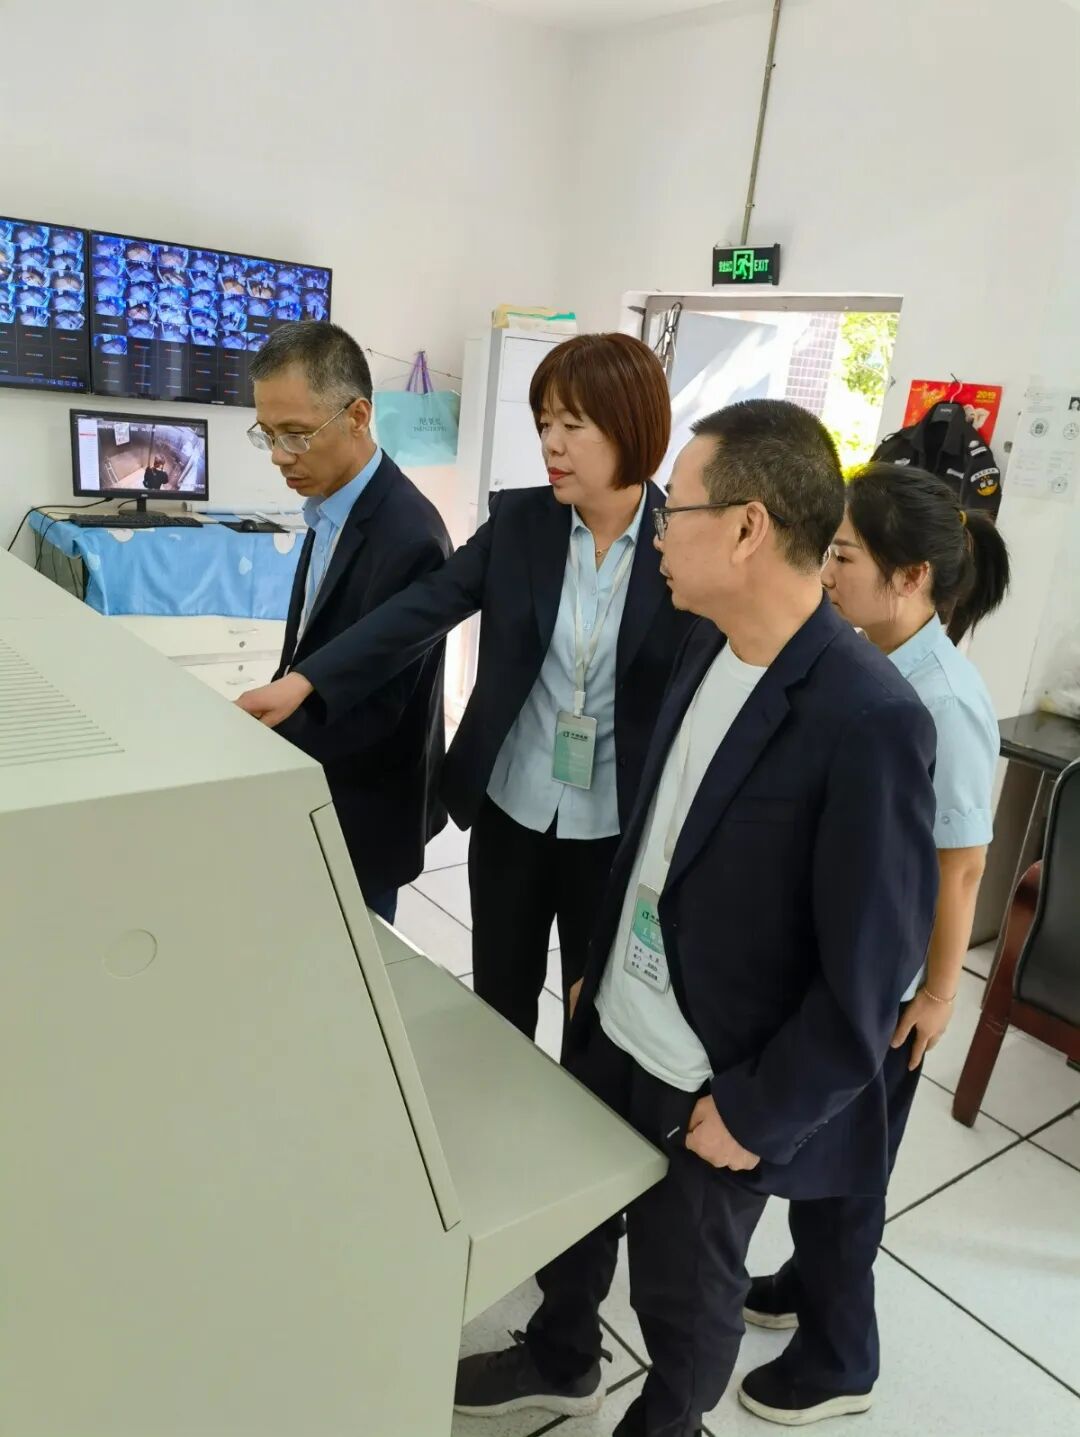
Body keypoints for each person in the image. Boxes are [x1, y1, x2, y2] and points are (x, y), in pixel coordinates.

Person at [452, 400, 940, 1436]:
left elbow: (868, 975)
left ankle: (668, 1420)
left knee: (682, 1292)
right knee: (578, 1222)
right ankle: (561, 1356)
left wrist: (761, 1112)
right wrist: (596, 966)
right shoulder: (702, 642)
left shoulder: (869, 718)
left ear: (749, 527)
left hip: (716, 1075)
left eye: (676, 508)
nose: (659, 532)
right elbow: (655, 836)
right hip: (617, 1017)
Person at [236, 333, 696, 1041]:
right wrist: (307, 680)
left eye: (573, 425)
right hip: (512, 809)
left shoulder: (681, 540)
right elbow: (421, 608)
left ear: (631, 428)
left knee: (596, 1014)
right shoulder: (521, 523)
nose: (551, 444)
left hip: (614, 823)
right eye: (544, 422)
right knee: (499, 1005)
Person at [740, 461, 1010, 1426]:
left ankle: (842, 1358)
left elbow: (961, 868)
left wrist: (937, 995)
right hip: (848, 966)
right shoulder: (869, 659)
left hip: (889, 994)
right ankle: (805, 1283)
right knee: (821, 1157)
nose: (825, 569)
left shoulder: (945, 701)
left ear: (912, 577)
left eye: (844, 556)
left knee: (847, 1179)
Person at [244, 321, 452, 924]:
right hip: (316, 790)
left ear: (358, 416)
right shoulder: (331, 505)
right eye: (268, 435)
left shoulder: (409, 536)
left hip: (363, 807)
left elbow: (377, 708)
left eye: (296, 435)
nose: (280, 456)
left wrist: (255, 744)